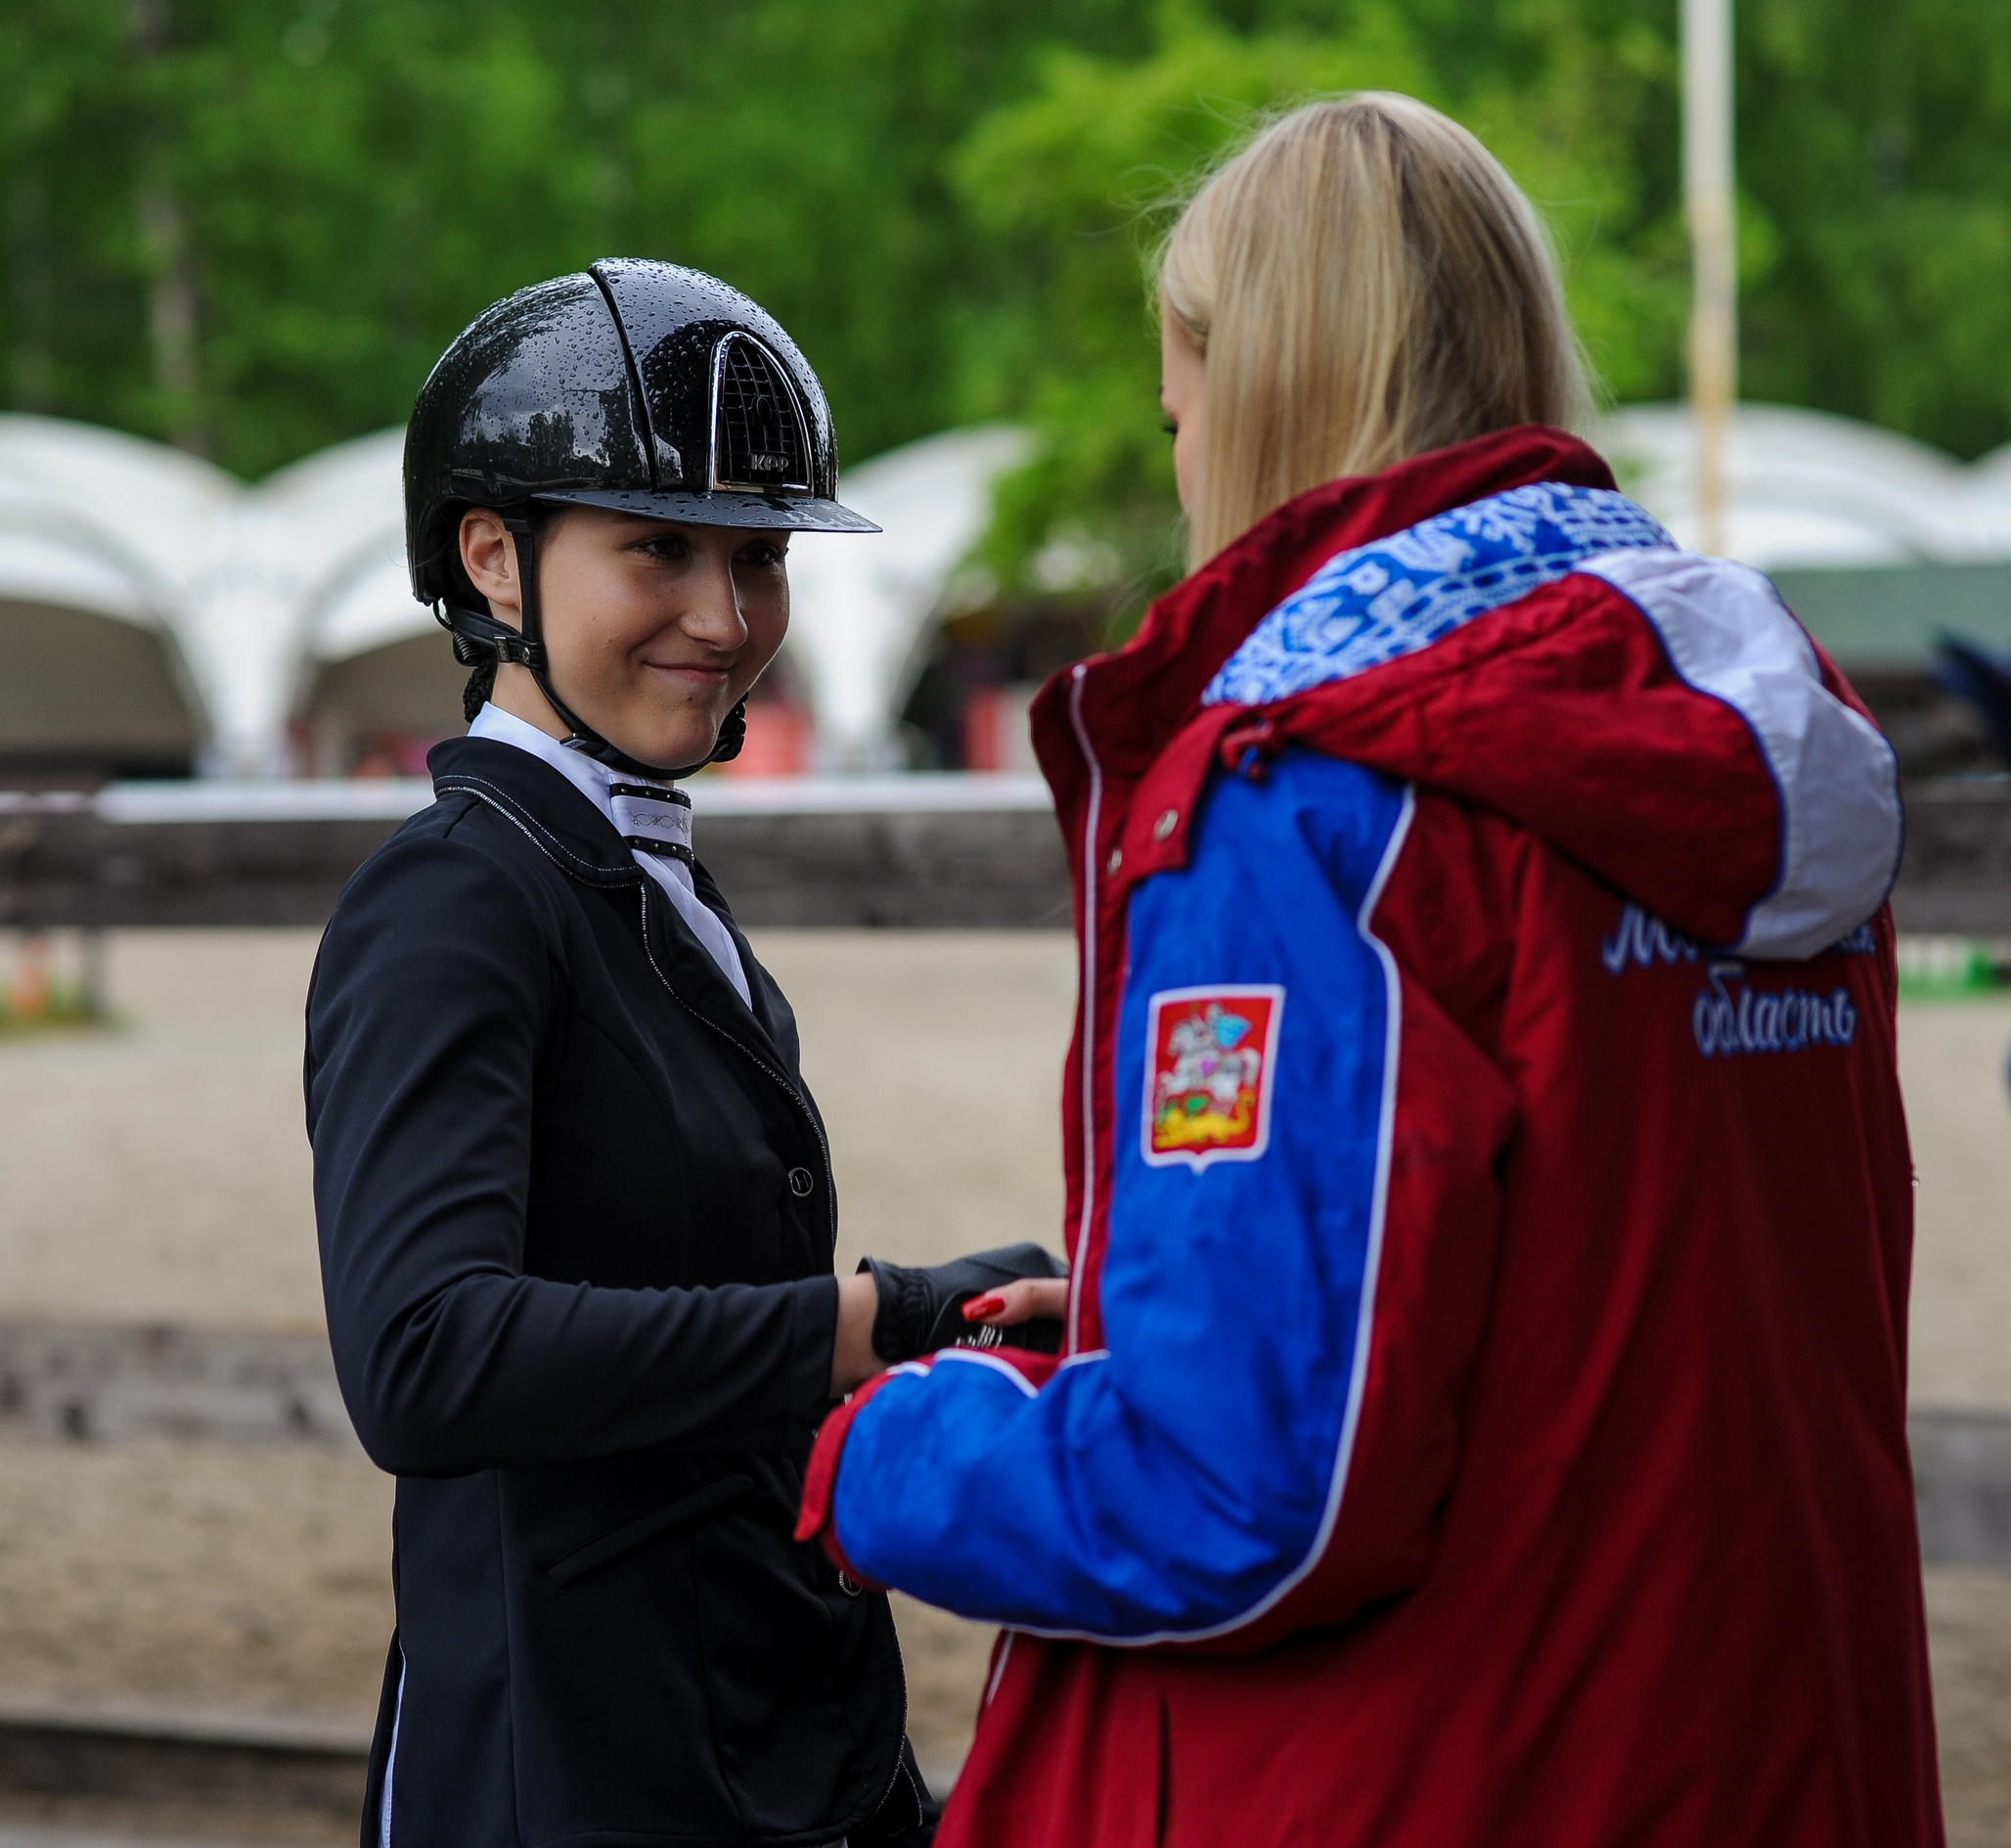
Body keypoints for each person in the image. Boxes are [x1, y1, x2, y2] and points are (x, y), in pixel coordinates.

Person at [796, 95, 1941, 1846]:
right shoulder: (1763, 737)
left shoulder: (1307, 787)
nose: (1182, 465)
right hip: (1766, 1736)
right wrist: (1135, 1313)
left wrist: (894, 1445)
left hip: (1431, 1767)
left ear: (1249, 395)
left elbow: (1236, 1487)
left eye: (1179, 415)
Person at [305, 259, 1057, 1848]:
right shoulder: (454, 897)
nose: (725, 619)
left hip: (769, 1739)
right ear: (492, 554)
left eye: (757, 558)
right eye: (658, 548)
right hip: (572, 1770)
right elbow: (425, 1359)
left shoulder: (646, 877)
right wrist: (865, 1319)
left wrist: (951, 1323)